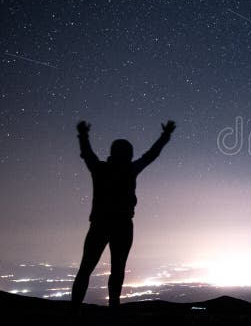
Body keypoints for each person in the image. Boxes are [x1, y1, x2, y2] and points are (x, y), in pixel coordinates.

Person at [70, 119, 176, 311]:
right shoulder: (129, 170)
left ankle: (75, 308)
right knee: (116, 269)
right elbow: (150, 156)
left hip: (101, 224)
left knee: (87, 268)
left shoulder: (100, 169)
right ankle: (113, 308)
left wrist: (83, 136)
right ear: (127, 154)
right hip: (122, 225)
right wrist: (165, 136)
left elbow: (87, 155)